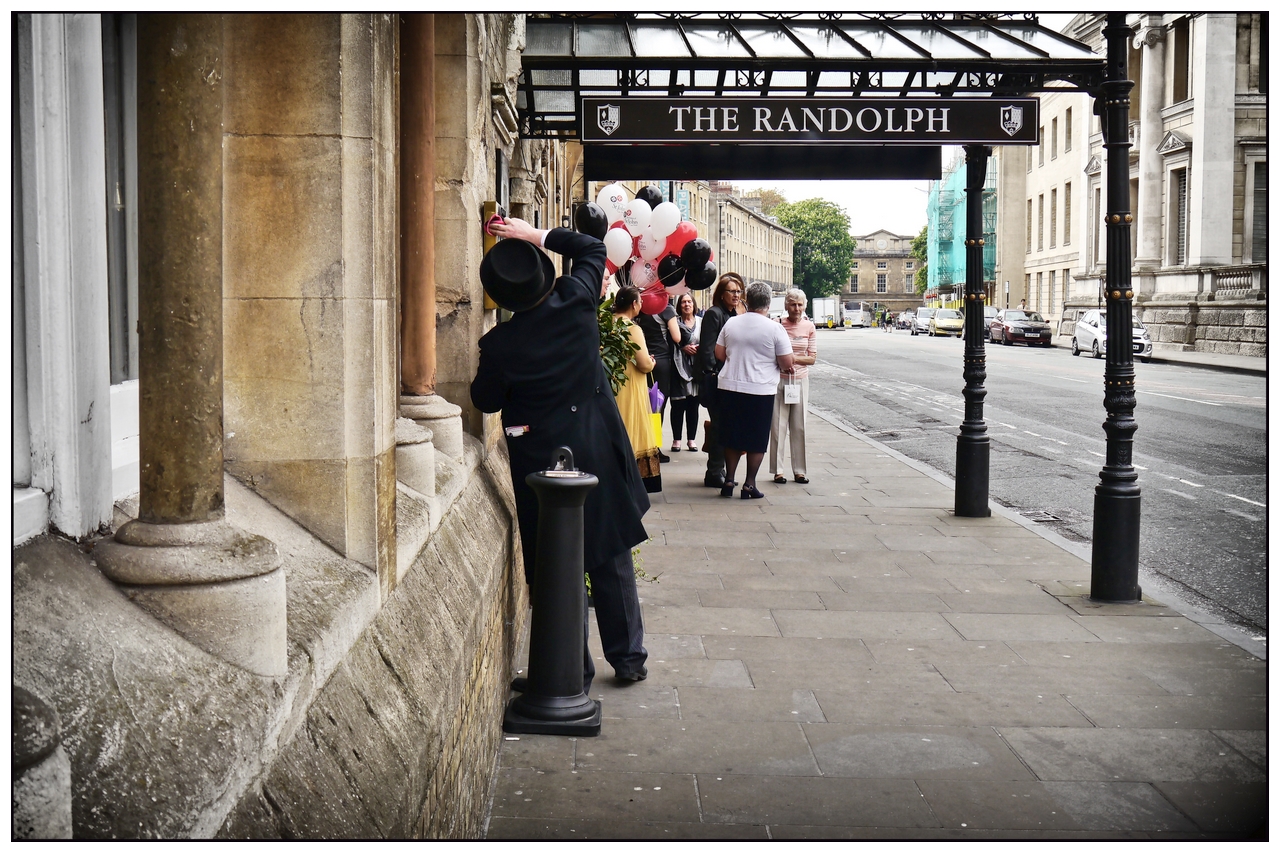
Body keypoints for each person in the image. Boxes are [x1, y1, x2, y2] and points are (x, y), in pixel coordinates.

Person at [471, 218, 649, 689]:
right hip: (596, 446)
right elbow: (593, 247)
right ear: (545, 277)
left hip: (542, 464)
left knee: (560, 567)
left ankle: (572, 670)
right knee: (610, 554)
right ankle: (629, 658)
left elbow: (484, 399)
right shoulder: (576, 300)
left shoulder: (501, 345)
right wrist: (533, 235)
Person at [714, 281, 795, 499]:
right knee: (756, 438)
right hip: (760, 389)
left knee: (732, 435)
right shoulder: (775, 328)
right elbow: (787, 361)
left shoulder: (731, 324)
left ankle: (729, 480)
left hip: (730, 386)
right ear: (768, 303)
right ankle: (749, 484)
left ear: (746, 301)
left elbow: (719, 354)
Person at [694, 273, 745, 488]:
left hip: (733, 379)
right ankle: (714, 471)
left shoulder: (736, 315)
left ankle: (718, 469)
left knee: (725, 426)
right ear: (721, 294)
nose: (736, 295)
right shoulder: (714, 315)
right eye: (731, 291)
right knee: (718, 427)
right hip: (717, 380)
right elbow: (707, 349)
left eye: (738, 291)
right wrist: (712, 373)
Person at [611, 285, 662, 493]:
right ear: (633, 304)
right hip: (631, 386)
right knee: (632, 428)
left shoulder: (606, 323)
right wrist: (651, 362)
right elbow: (643, 363)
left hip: (612, 385)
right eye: (640, 301)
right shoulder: (632, 328)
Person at [769, 288, 817, 485]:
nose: (796, 308)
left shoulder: (809, 327)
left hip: (800, 380)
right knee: (778, 427)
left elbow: (812, 358)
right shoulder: (777, 325)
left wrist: (791, 359)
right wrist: (784, 363)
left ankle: (800, 470)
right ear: (786, 305)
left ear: (804, 306)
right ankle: (778, 470)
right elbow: (770, 353)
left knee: (799, 427)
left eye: (799, 305)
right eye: (792, 304)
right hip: (779, 380)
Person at [633, 291, 679, 462]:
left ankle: (642, 445)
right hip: (662, 362)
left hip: (643, 359)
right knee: (658, 407)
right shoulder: (666, 310)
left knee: (644, 405)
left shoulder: (641, 308)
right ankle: (655, 448)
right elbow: (677, 336)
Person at [668, 292, 701, 453]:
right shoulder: (675, 323)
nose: (686, 305)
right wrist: (682, 348)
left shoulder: (702, 322)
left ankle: (691, 439)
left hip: (696, 368)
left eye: (689, 301)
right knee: (678, 405)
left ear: (694, 304)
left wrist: (698, 349)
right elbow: (671, 342)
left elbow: (708, 342)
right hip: (679, 367)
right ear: (679, 306)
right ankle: (676, 439)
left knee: (693, 405)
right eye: (683, 302)